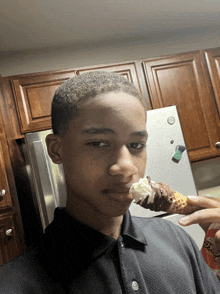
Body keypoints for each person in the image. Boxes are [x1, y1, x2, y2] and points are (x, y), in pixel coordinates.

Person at [0, 71, 219, 293]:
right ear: (56, 150)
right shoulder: (13, 285)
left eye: (136, 145)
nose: (126, 167)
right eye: (98, 143)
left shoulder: (178, 241)